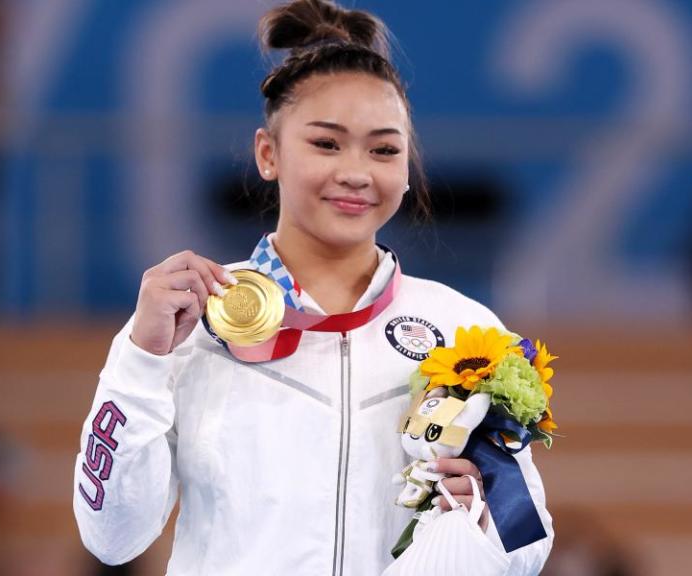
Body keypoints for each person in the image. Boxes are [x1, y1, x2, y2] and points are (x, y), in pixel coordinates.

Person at [72, 1, 553, 574]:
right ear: (268, 154)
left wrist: (478, 518)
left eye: (383, 149)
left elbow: (525, 541)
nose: (355, 171)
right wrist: (141, 361)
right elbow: (112, 537)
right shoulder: (189, 324)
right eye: (327, 144)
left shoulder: (464, 333)